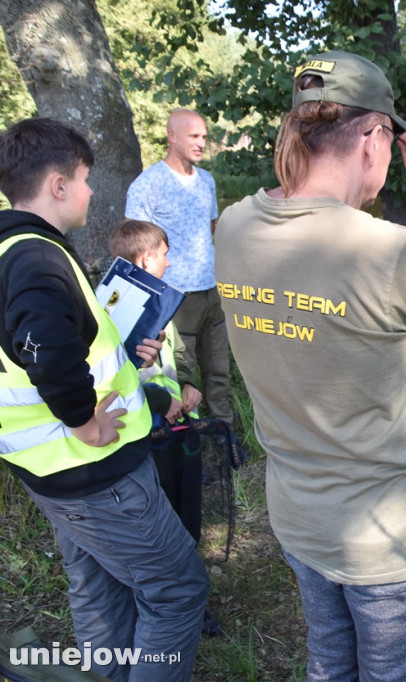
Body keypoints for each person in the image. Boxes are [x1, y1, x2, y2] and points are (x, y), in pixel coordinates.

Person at [215, 50, 406, 681]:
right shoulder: (392, 252)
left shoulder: (234, 226)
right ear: (375, 138)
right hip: (395, 545)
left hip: (299, 520)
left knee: (331, 667)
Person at [0, 117, 208, 681]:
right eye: (86, 179)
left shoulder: (8, 248)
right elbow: (45, 345)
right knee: (177, 592)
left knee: (96, 588)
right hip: (99, 474)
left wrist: (125, 361)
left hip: (49, 473)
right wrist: (84, 420)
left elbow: (44, 345)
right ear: (58, 185)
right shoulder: (36, 257)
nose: (92, 192)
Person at [108, 218, 224, 638]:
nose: (170, 261)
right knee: (162, 528)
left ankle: (197, 604)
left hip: (180, 433)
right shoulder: (118, 308)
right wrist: (163, 401)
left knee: (188, 512)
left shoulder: (162, 302)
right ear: (144, 258)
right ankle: (167, 608)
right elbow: (117, 378)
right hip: (147, 440)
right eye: (163, 254)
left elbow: (177, 353)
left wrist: (189, 386)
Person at [125, 108, 233, 427]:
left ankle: (224, 437)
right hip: (173, 297)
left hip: (212, 290)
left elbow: (211, 229)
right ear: (172, 136)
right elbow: (134, 245)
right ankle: (188, 441)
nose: (201, 143)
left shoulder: (207, 181)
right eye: (194, 136)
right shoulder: (148, 185)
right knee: (182, 376)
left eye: (203, 137)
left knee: (218, 370)